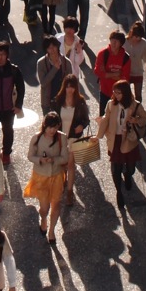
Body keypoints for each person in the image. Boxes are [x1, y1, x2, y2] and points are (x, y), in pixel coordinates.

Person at [96, 79, 146, 210]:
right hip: (115, 139)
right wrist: (98, 137)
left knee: (131, 167)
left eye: (119, 93)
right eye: (115, 92)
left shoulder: (135, 105)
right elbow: (105, 120)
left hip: (129, 140)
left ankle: (128, 175)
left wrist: (136, 120)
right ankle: (119, 193)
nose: (116, 95)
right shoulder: (110, 104)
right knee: (115, 168)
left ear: (125, 93)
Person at [23, 112, 69, 244]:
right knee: (44, 207)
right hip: (41, 176)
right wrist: (40, 160)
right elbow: (30, 156)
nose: (52, 130)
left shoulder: (62, 138)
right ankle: (43, 219)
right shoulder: (36, 138)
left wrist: (53, 159)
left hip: (56, 175)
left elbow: (65, 157)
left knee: (56, 203)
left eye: (55, 127)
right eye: (50, 127)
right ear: (45, 125)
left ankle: (52, 230)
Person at [52, 74, 90, 206]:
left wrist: (81, 125)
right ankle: (64, 182)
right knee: (62, 163)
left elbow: (86, 119)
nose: (70, 89)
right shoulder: (58, 100)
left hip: (74, 137)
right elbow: (52, 117)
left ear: (75, 88)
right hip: (60, 137)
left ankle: (69, 191)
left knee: (70, 164)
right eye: (68, 87)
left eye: (72, 87)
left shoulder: (80, 102)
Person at [93, 30, 131, 115]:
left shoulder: (126, 58)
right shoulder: (103, 54)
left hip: (119, 94)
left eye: (116, 41)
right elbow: (98, 72)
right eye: (112, 40)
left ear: (121, 44)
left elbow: (125, 79)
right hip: (104, 91)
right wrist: (115, 74)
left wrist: (106, 74)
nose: (113, 43)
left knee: (117, 119)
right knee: (103, 117)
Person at [36, 36, 73, 113]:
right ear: (46, 49)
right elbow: (43, 83)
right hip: (48, 101)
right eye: (49, 48)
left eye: (53, 46)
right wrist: (55, 69)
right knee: (49, 124)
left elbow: (70, 82)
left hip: (63, 101)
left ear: (57, 46)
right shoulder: (41, 63)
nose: (52, 50)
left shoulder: (66, 62)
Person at [125, 21, 146, 102]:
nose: (138, 39)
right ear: (132, 34)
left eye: (139, 37)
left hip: (138, 72)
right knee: (126, 95)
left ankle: (137, 111)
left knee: (138, 96)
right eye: (136, 37)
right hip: (126, 72)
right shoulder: (124, 42)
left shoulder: (143, 43)